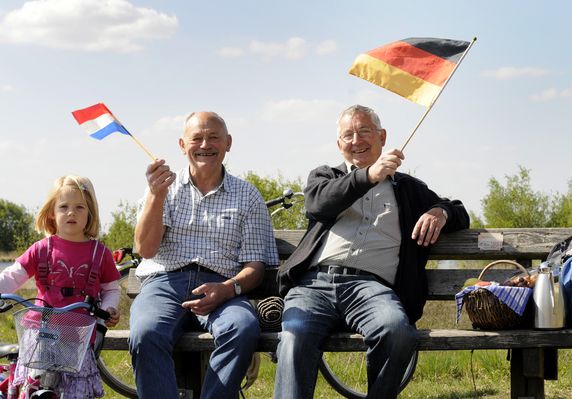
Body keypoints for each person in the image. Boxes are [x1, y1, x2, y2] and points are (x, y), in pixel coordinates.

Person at [275, 104, 470, 399]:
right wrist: (368, 176)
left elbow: (458, 210)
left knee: (396, 331)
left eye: (364, 131)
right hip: (314, 285)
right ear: (339, 144)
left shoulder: (407, 188)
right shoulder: (325, 176)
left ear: (382, 136)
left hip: (370, 288)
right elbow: (317, 205)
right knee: (294, 336)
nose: (356, 140)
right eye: (348, 135)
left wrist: (439, 213)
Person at [129, 111, 278, 399]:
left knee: (243, 327)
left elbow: (256, 266)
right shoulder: (162, 189)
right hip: (164, 284)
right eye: (196, 138)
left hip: (221, 286)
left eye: (214, 137)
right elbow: (145, 249)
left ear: (228, 143)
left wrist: (228, 288)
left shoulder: (247, 195)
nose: (205, 145)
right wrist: (156, 197)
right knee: (146, 334)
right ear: (183, 145)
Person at [0, 175, 121, 398]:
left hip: (78, 339)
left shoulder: (99, 252)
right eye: (63, 206)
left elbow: (111, 289)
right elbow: (13, 275)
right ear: (51, 213)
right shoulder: (41, 249)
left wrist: (110, 307)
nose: (71, 212)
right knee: (37, 389)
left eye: (79, 207)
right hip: (40, 336)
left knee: (74, 392)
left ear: (90, 213)